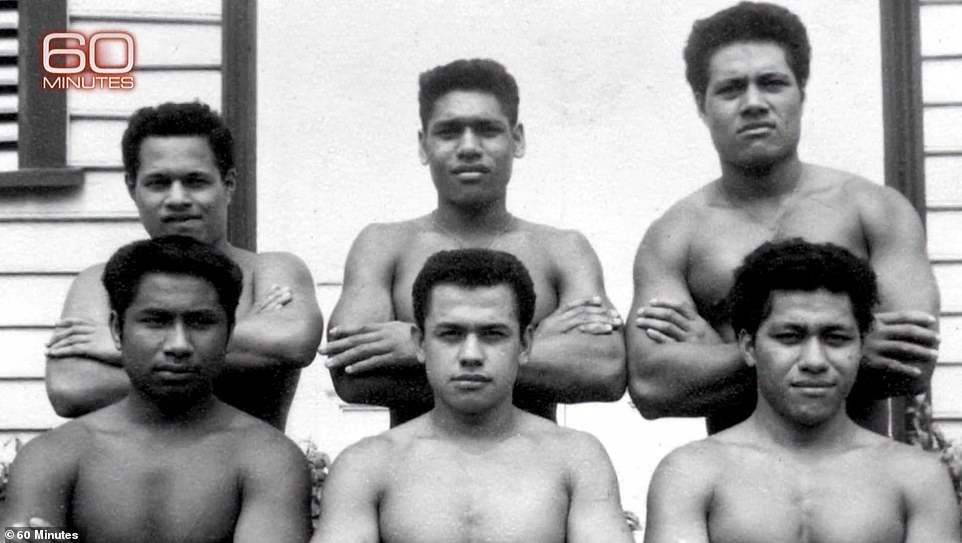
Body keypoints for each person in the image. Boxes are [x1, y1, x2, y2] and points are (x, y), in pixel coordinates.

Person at [627, 1, 939, 434]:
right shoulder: (677, 236)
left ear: (801, 93)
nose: (754, 103)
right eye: (731, 89)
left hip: (863, 471)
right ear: (702, 105)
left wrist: (725, 350)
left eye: (772, 83)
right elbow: (650, 385)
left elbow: (911, 365)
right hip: (736, 472)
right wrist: (845, 344)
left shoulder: (873, 210)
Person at [324, 58, 625, 425]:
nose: (468, 146)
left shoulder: (562, 250)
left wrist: (418, 347)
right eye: (448, 132)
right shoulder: (385, 245)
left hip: (533, 458)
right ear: (423, 145)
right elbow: (352, 374)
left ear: (517, 140)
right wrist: (533, 344)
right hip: (416, 459)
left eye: (487, 130)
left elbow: (607, 370)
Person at [643, 239, 959, 543]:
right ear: (749, 347)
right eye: (789, 337)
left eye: (836, 338)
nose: (814, 361)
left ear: (861, 346)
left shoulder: (915, 477)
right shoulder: (692, 473)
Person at [3, 237, 312, 543]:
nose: (179, 344)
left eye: (200, 322)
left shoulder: (267, 458)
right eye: (155, 321)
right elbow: (29, 535)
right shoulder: (53, 455)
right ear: (116, 329)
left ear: (230, 331)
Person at [313, 249, 633, 543]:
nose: (471, 355)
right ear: (420, 343)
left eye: (493, 334)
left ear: (525, 344)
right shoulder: (368, 464)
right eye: (450, 334)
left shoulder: (575, 458)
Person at [45, 101, 324, 429]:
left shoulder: (268, 270)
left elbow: (294, 340)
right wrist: (243, 351)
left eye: (195, 181)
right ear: (132, 188)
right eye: (159, 182)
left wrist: (127, 347)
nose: (177, 199)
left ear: (228, 184)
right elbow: (71, 388)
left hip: (248, 459)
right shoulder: (100, 282)